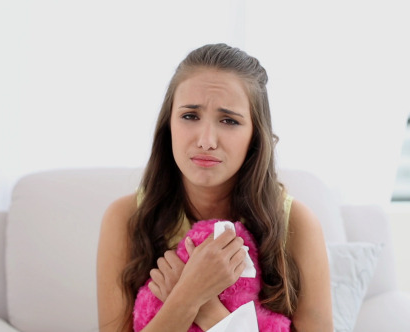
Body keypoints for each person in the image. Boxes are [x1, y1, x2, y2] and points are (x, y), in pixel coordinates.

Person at [97, 43, 333, 332]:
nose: (206, 140)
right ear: (168, 124)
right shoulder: (124, 217)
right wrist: (187, 296)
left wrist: (206, 307)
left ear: (255, 136)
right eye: (190, 116)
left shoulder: (296, 223)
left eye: (229, 121)